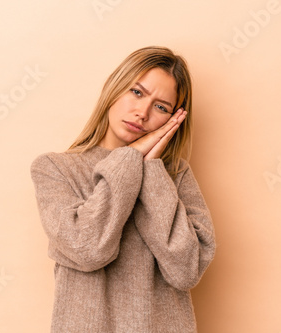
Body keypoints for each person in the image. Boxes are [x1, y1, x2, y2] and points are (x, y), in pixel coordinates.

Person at [30, 46, 216, 333]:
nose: (142, 113)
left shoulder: (175, 175)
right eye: (137, 92)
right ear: (114, 88)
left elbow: (186, 270)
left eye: (161, 107)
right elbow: (87, 248)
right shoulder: (54, 169)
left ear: (172, 120)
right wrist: (130, 158)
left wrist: (151, 169)